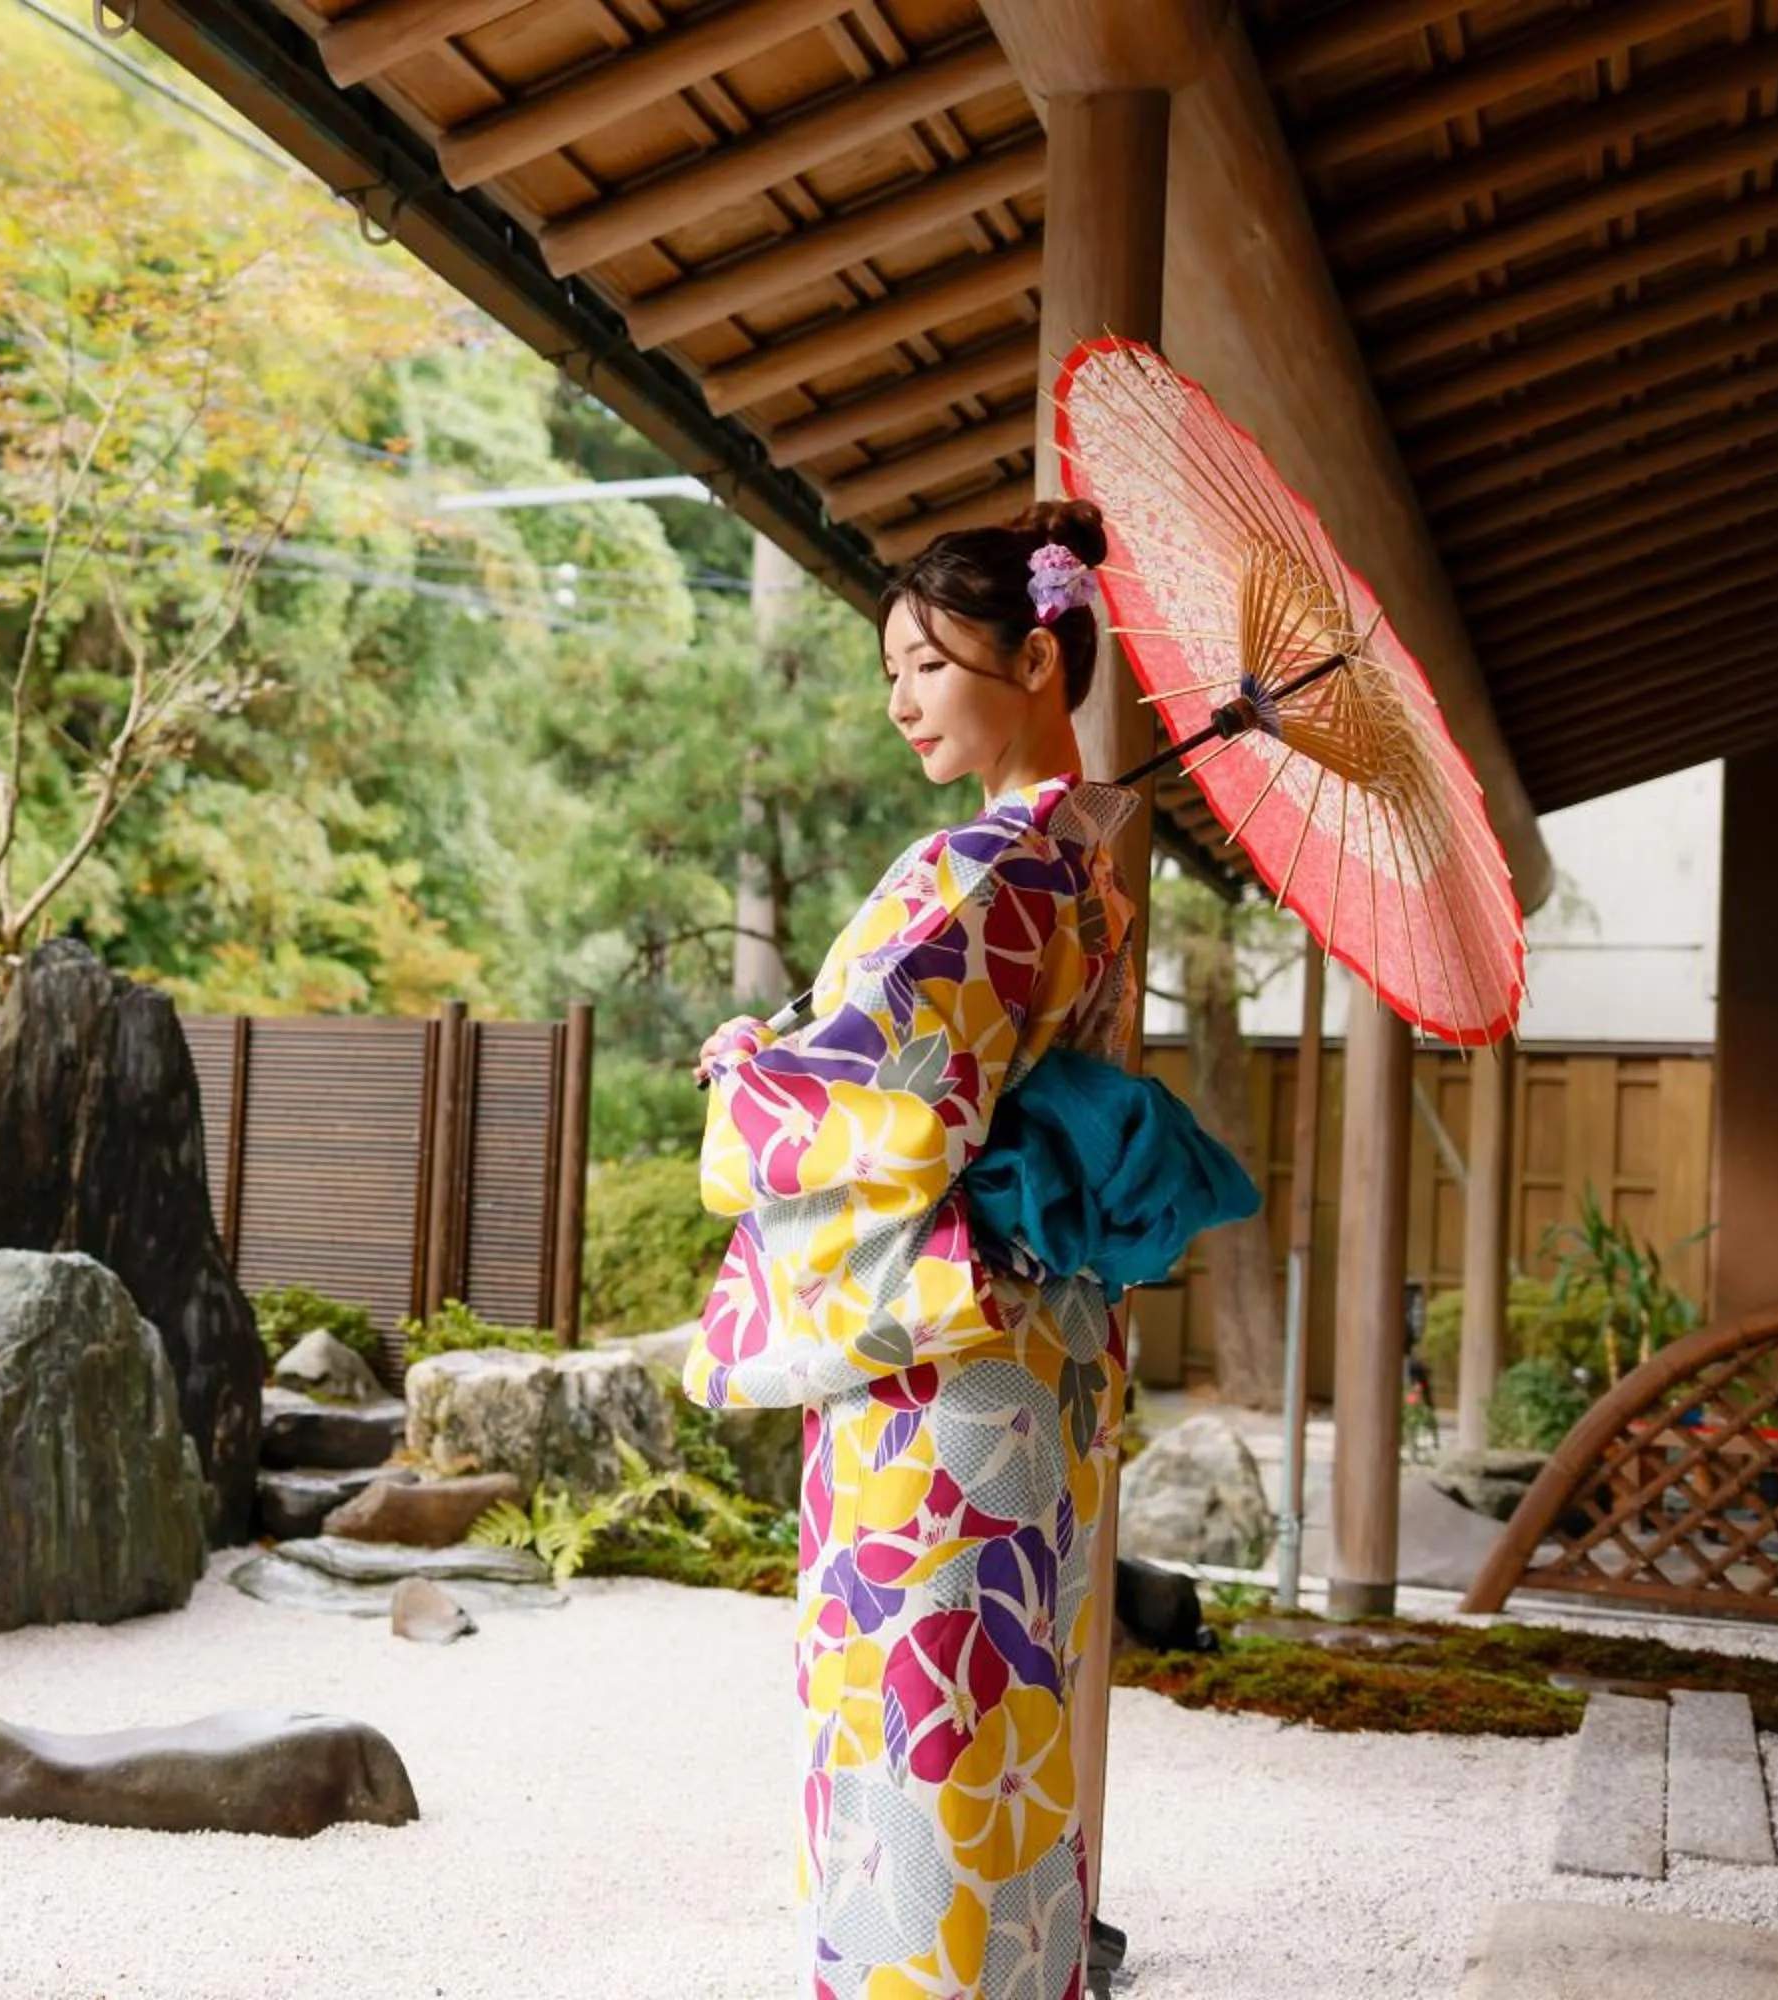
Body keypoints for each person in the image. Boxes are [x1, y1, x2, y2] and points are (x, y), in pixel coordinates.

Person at [689, 500, 1140, 2000]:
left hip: (933, 1367)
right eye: (889, 665)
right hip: (1037, 1342)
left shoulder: (987, 869)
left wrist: (748, 1070)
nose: (898, 697)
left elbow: (890, 1101)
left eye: (925, 660)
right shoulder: (1090, 860)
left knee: (919, 1714)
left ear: (1031, 657)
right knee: (1005, 1708)